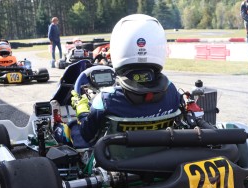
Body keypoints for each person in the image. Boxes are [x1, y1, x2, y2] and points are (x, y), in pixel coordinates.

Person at [54, 14, 181, 148]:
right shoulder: (173, 92)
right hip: (162, 158)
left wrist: (82, 111)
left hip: (114, 162)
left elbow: (87, 135)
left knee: (68, 128)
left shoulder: (105, 99)